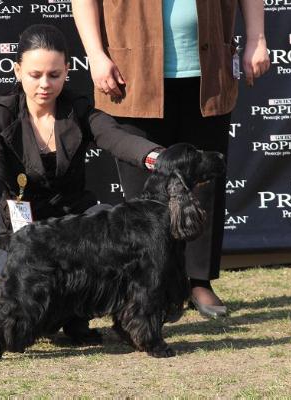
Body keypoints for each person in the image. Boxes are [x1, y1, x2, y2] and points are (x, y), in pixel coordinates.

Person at [72, 0, 270, 318]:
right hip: (132, 75)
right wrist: (96, 54)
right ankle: (149, 288)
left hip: (208, 71)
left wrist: (257, 39)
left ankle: (199, 282)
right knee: (144, 199)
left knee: (203, 185)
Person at [0, 24, 162, 280]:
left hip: (75, 229)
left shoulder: (78, 109)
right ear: (18, 71)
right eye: (35, 75)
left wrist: (158, 158)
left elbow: (116, 137)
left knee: (109, 226)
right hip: (23, 234)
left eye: (54, 75)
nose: (45, 84)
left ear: (67, 70)